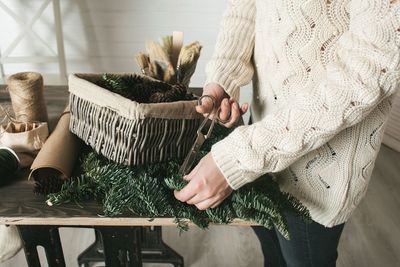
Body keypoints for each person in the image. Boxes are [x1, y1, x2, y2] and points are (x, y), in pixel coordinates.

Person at [174, 0, 400, 266]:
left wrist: (241, 156)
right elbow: (245, 8)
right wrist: (223, 79)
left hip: (319, 171)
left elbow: (369, 68)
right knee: (272, 254)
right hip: (261, 139)